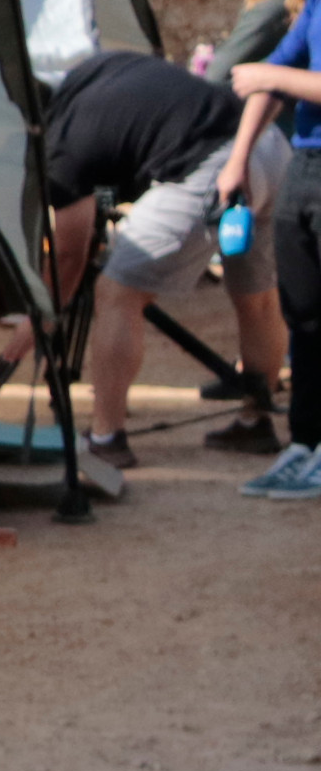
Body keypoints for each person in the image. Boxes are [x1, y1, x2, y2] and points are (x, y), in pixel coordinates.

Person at [39, 44, 284, 467]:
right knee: (257, 296)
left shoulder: (59, 143)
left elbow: (68, 255)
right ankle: (255, 422)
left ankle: (106, 437)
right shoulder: (102, 67)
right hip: (264, 142)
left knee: (117, 293)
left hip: (210, 168)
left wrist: (38, 316)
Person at [217, 0, 321, 497]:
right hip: (305, 168)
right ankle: (304, 443)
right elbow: (279, 73)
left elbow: (268, 76)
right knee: (303, 317)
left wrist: (261, 76)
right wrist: (237, 160)